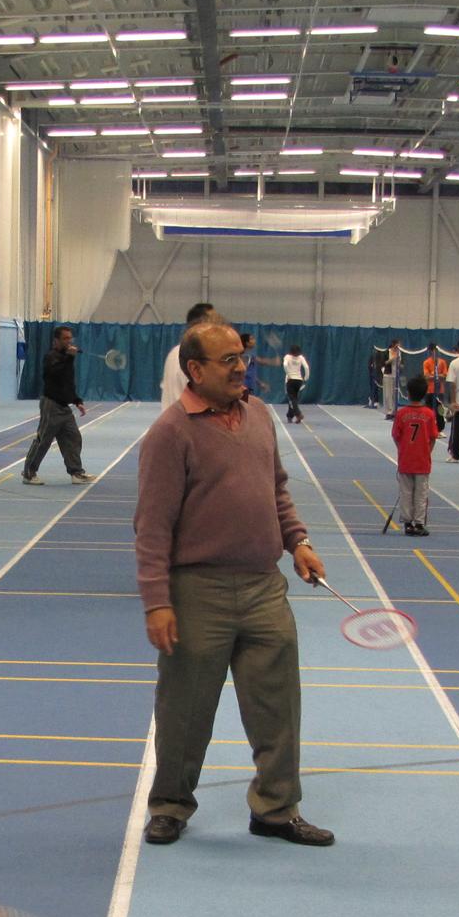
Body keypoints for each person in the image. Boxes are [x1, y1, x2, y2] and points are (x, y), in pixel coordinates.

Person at [134, 319, 334, 849]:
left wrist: (299, 542)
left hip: (265, 589)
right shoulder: (169, 435)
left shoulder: (261, 416)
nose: (241, 366)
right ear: (194, 370)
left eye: (241, 356)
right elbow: (151, 528)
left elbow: (278, 490)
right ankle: (170, 805)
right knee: (184, 710)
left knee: (278, 708)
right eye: (228, 360)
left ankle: (275, 809)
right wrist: (158, 602)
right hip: (198, 592)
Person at [24, 326, 93, 486]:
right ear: (56, 341)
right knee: (43, 440)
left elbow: (67, 383)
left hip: (64, 407)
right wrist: (69, 357)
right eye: (65, 338)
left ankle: (76, 472)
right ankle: (29, 473)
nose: (69, 341)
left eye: (70, 338)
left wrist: (77, 400)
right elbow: (55, 374)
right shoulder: (51, 357)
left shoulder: (67, 359)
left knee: (73, 437)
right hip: (51, 405)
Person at [392, 374, 440, 537]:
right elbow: (433, 437)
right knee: (421, 493)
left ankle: (408, 523)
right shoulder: (429, 414)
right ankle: (419, 523)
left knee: (405, 492)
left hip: (405, 460)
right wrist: (427, 452)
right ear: (425, 393)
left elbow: (396, 436)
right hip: (422, 461)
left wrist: (402, 450)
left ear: (408, 393)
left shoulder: (401, 413)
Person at [160, 300, 216, 411]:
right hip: (186, 424)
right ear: (202, 325)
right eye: (214, 323)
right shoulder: (195, 356)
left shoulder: (174, 353)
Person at [282, 344, 309, 422]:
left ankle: (298, 414)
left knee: (292, 399)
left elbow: (285, 365)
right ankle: (290, 416)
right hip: (299, 381)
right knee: (294, 399)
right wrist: (306, 378)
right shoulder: (301, 358)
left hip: (290, 380)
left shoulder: (287, 357)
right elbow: (306, 367)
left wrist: (289, 374)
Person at [381, 338, 404, 418]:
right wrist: (392, 359)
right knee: (388, 394)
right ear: (394, 344)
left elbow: (401, 364)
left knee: (395, 395)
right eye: (398, 344)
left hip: (396, 376)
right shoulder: (387, 352)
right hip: (388, 375)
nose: (399, 346)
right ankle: (388, 412)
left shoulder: (400, 353)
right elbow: (384, 363)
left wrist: (401, 366)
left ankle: (394, 411)